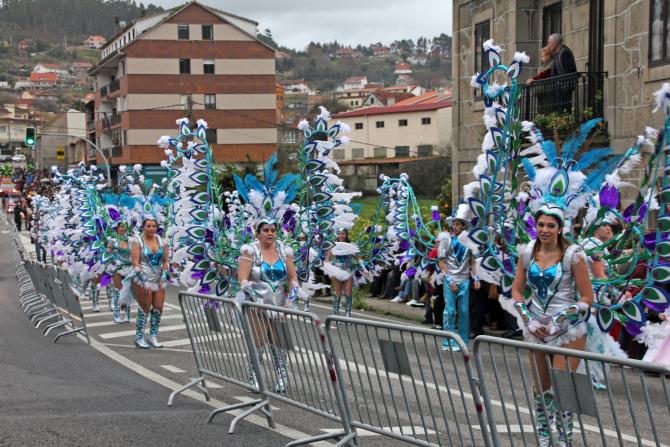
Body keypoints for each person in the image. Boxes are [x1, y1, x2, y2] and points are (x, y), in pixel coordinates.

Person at [512, 209, 594, 447]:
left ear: (560, 228)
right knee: (542, 389)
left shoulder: (573, 256)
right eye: (541, 225)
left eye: (550, 225)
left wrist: (561, 317)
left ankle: (565, 441)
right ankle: (544, 440)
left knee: (562, 388)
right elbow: (516, 290)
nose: (545, 230)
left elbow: (587, 297)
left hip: (568, 331)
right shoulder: (527, 252)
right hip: (536, 330)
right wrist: (527, 318)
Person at [237, 219, 299, 393]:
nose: (270, 233)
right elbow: (242, 280)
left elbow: (293, 278)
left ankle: (282, 377)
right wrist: (255, 300)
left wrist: (291, 299)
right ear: (258, 233)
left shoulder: (283, 251)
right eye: (266, 230)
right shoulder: (250, 251)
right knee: (258, 343)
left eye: (273, 230)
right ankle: (254, 377)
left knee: (279, 344)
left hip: (279, 306)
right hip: (257, 307)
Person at [438, 204, 481, 352]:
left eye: (458, 224)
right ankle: (448, 341)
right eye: (454, 224)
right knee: (449, 311)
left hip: (464, 280)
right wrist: (450, 280)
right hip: (450, 280)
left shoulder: (469, 243)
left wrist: (476, 278)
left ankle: (462, 342)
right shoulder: (446, 240)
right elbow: (441, 263)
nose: (456, 226)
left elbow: (473, 262)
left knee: (464, 311)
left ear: (463, 226)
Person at [130, 218, 169, 349]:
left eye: (153, 226)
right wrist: (144, 280)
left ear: (157, 227)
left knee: (158, 307)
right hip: (142, 279)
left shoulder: (162, 241)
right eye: (148, 226)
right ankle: (139, 337)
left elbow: (165, 261)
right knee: (145, 307)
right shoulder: (138, 241)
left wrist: (163, 276)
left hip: (158, 279)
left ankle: (153, 336)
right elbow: (135, 262)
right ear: (143, 227)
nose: (151, 228)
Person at [324, 228, 358, 317]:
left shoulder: (351, 245)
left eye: (343, 233)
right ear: (337, 234)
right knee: (337, 293)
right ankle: (336, 315)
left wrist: (362, 267)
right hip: (337, 271)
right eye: (339, 233)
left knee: (348, 293)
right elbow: (327, 259)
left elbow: (358, 258)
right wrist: (330, 268)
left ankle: (347, 316)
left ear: (346, 235)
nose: (341, 235)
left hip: (348, 271)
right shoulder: (332, 245)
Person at [107, 221, 133, 324]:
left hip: (129, 268)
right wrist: (108, 251)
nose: (123, 228)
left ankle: (127, 315)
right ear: (117, 228)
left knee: (128, 291)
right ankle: (116, 315)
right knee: (118, 291)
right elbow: (108, 253)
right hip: (117, 268)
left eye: (125, 227)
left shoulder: (131, 240)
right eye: (121, 226)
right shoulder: (112, 240)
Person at [547, 33, 577, 113]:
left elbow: (569, 70)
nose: (548, 45)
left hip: (564, 88)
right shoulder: (558, 53)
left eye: (549, 42)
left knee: (564, 110)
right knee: (560, 110)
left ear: (555, 43)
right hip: (560, 87)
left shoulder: (564, 52)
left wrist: (563, 84)